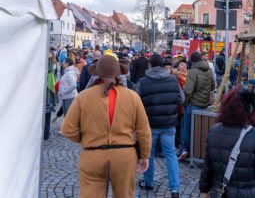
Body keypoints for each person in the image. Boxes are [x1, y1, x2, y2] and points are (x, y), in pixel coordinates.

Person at [61, 53, 152, 198]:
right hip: (124, 156)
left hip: (93, 155)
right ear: (118, 74)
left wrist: (87, 138)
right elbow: (143, 131)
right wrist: (144, 155)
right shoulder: (132, 96)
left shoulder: (83, 96)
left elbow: (67, 129)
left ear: (97, 74)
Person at [199, 86, 255, 198]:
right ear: (251, 109)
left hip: (222, 193)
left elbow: (207, 167)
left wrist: (204, 190)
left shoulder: (214, 131)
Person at [135, 54, 184, 198]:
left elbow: (136, 103)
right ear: (163, 65)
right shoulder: (173, 80)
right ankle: (174, 189)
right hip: (169, 124)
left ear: (150, 65)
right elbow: (181, 98)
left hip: (149, 124)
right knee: (171, 155)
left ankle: (148, 182)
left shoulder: (142, 82)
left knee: (148, 154)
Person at [179, 51, 215, 161]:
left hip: (193, 104)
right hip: (204, 104)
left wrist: (182, 102)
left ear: (192, 61)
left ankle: (185, 150)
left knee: (187, 128)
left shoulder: (193, 71)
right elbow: (213, 85)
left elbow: (188, 91)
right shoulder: (209, 70)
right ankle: (196, 151)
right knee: (198, 129)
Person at [45, 51, 57, 140]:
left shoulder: (53, 63)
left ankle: (46, 133)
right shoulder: (47, 61)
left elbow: (51, 71)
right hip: (47, 82)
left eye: (50, 53)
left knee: (49, 96)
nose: (48, 54)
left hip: (50, 83)